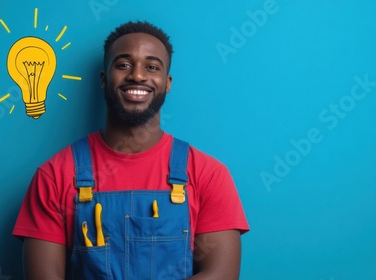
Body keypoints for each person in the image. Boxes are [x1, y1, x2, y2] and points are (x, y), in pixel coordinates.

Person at [13, 21, 249, 280]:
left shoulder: (208, 174)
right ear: (104, 79)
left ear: (167, 82)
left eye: (152, 67)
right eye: (123, 65)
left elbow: (221, 274)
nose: (137, 75)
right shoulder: (54, 175)